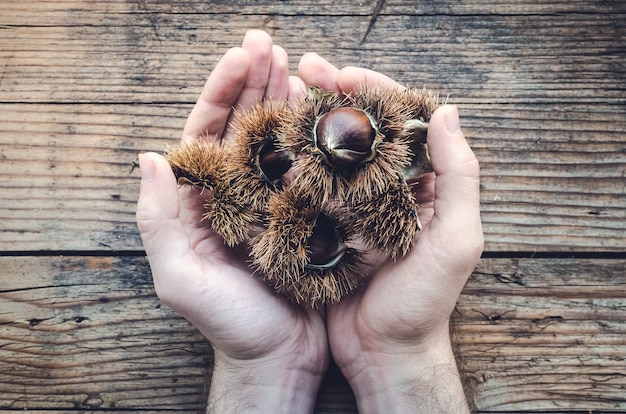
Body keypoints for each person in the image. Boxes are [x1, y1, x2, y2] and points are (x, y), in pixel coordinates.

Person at [136, 30, 483, 413]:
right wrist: (405, 356)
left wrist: (404, 347)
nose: (332, 146)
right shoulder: (264, 188)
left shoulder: (380, 182)